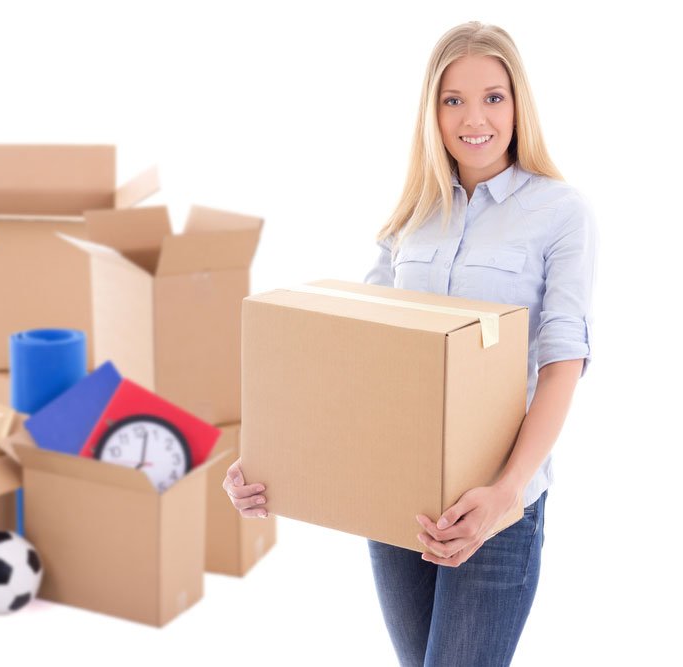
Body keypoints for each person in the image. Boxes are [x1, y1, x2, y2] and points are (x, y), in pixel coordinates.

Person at [223, 21, 596, 667]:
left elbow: (564, 362)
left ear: (518, 105)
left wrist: (506, 491)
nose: (473, 117)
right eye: (453, 99)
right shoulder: (412, 215)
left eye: (493, 97)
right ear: (433, 110)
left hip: (496, 507)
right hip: (397, 498)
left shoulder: (561, 212)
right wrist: (266, 458)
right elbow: (359, 354)